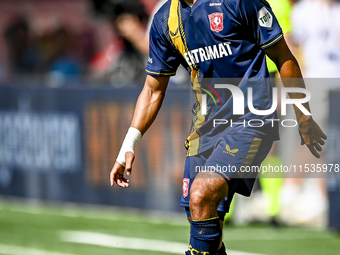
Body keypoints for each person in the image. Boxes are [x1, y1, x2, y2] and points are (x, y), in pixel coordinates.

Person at [110, 0, 327, 254]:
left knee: (201, 194)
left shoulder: (239, 3)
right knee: (200, 215)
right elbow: (152, 89)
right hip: (204, 130)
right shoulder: (165, 20)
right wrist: (129, 143)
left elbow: (284, 57)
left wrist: (304, 118)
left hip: (251, 121)